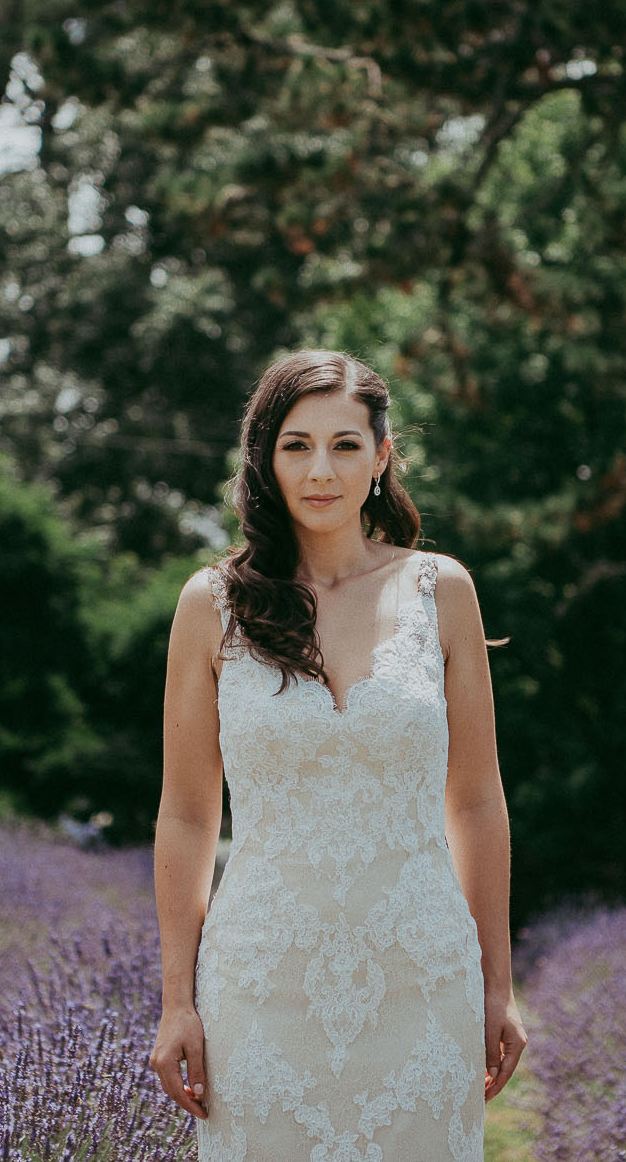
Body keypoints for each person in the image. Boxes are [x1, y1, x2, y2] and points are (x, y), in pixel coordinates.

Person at [149, 348, 527, 1161]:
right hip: (260, 987)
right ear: (266, 458)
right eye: (297, 445)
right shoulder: (210, 605)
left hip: (422, 982)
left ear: (383, 456)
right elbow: (186, 813)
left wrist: (499, 984)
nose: (321, 469)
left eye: (346, 444)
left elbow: (476, 801)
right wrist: (177, 1001)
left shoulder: (443, 591)